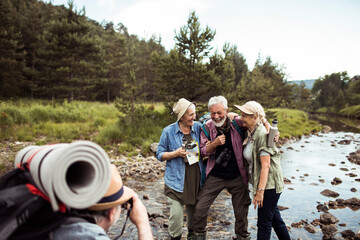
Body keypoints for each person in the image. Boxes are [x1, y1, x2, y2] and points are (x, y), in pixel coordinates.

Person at [193, 96, 271, 240]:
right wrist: (214, 143)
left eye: (219, 112)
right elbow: (202, 151)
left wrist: (268, 126)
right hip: (215, 175)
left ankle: (242, 236)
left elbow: (255, 119)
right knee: (200, 209)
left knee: (241, 213)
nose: (216, 116)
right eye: (213, 113)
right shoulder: (206, 127)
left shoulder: (237, 123)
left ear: (226, 111)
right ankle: (199, 235)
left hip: (237, 176)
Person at [50, 164, 153, 240]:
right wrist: (142, 223)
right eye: (121, 206)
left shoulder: (52, 225)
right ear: (111, 213)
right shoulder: (94, 237)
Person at [234, 101, 290, 240]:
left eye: (245, 115)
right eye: (241, 114)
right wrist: (267, 123)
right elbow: (230, 115)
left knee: (264, 224)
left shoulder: (261, 134)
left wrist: (260, 192)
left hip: (269, 186)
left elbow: (266, 166)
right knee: (276, 220)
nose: (241, 118)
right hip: (266, 185)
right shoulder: (251, 131)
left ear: (255, 117)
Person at [156, 98, 205, 240]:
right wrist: (175, 154)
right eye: (191, 114)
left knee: (193, 219)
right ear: (182, 115)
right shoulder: (168, 131)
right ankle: (175, 237)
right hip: (175, 182)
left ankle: (191, 235)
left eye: (194, 114)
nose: (194, 117)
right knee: (176, 217)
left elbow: (214, 121)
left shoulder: (198, 127)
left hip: (194, 180)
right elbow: (159, 154)